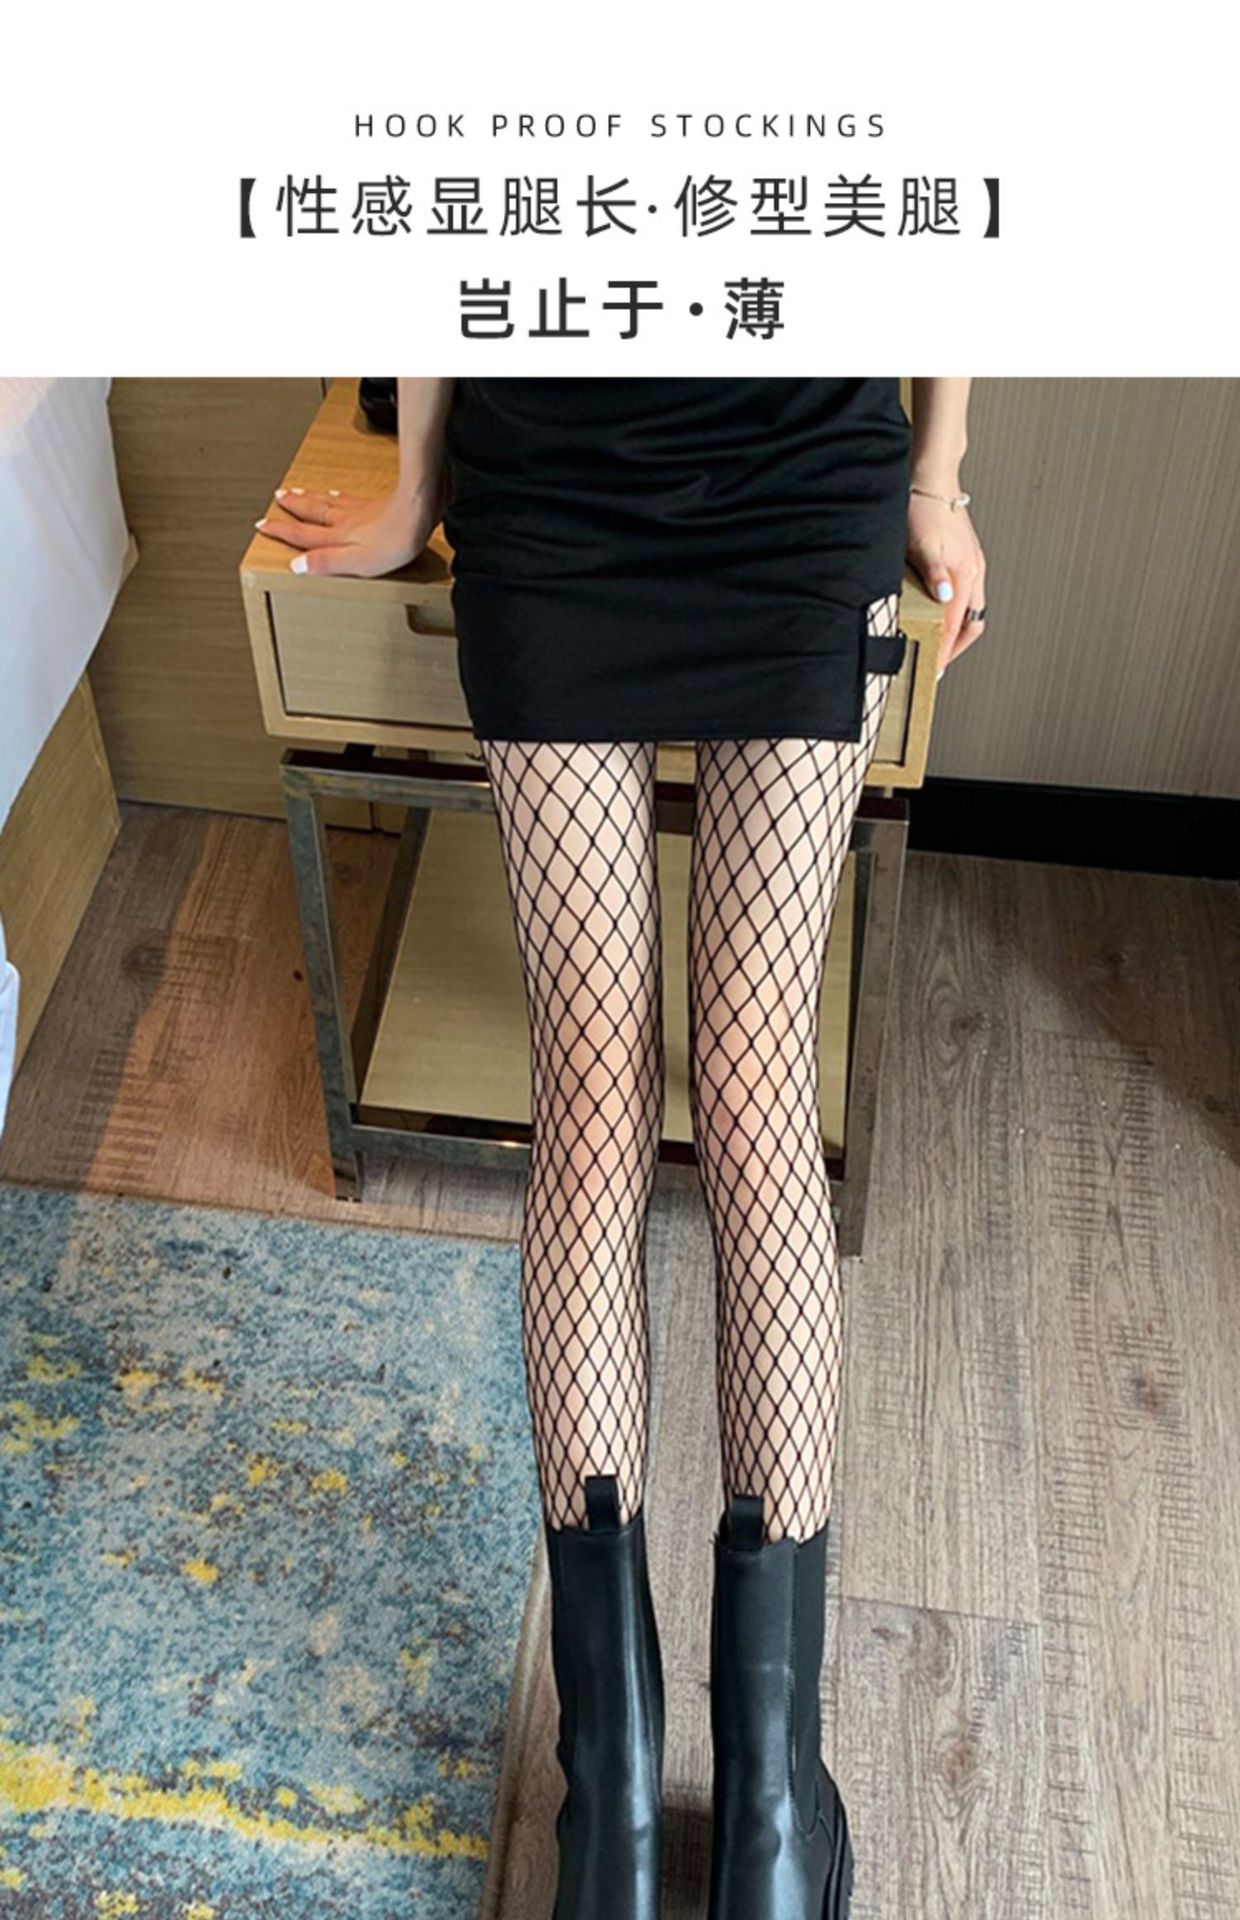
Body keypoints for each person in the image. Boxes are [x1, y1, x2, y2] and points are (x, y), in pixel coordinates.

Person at [258, 376, 986, 1920]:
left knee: (589, 1106)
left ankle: (614, 1813)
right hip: (796, 474)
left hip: (561, 484)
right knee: (756, 1098)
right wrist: (937, 478)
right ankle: (770, 1816)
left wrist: (418, 489)